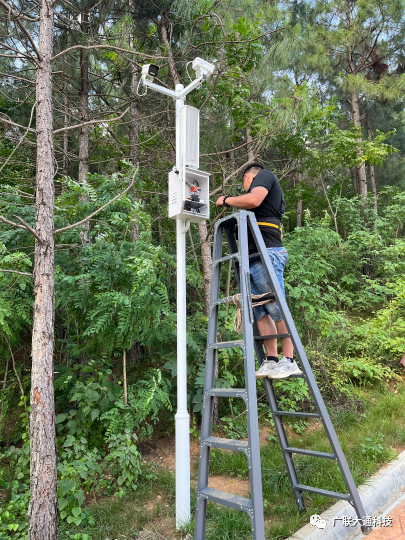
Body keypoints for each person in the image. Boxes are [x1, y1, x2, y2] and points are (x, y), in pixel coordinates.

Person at [216, 162, 301, 379]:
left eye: (245, 184)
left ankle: (289, 360)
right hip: (253, 257)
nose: (245, 190)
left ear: (248, 177)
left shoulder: (264, 175)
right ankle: (272, 360)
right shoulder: (264, 209)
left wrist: (225, 200)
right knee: (260, 310)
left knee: (275, 304)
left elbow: (253, 199)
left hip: (268, 254)